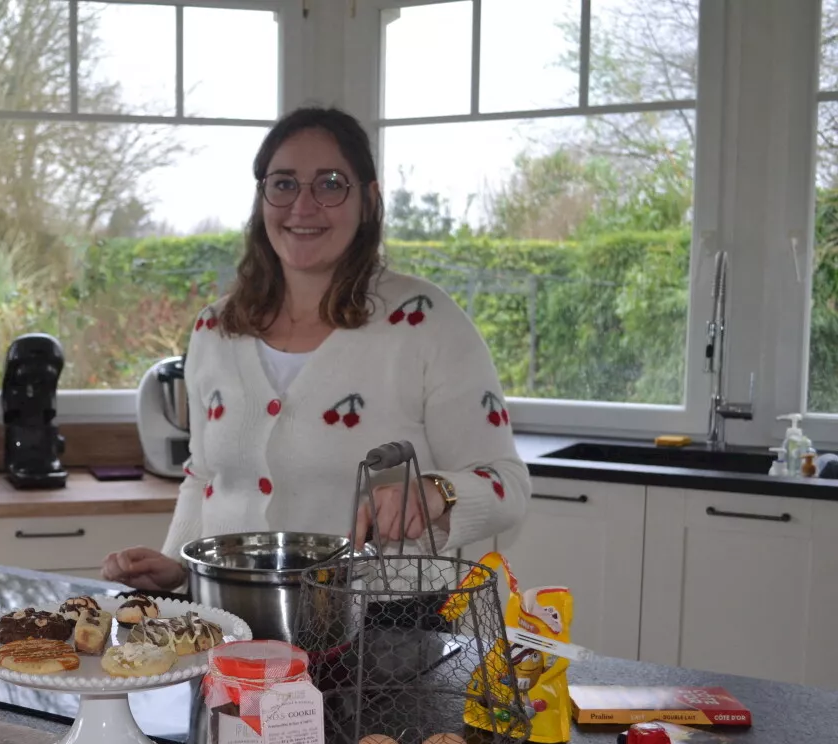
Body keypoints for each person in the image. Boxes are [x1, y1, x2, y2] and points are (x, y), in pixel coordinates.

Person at [102, 106, 531, 592]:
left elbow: (507, 484)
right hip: (232, 631)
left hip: (385, 637)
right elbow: (204, 478)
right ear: (262, 196)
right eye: (283, 183)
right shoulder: (216, 328)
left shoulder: (426, 322)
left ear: (368, 199)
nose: (302, 207)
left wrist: (438, 492)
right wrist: (178, 566)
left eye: (330, 184)